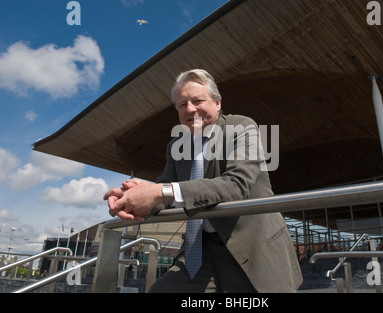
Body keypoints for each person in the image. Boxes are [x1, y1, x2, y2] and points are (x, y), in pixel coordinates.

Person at [104, 69, 302, 293]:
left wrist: (159, 192)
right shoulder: (176, 146)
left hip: (251, 248)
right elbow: (164, 192)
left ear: (217, 103)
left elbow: (235, 185)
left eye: (198, 100)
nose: (190, 109)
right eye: (182, 104)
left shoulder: (243, 127)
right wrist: (130, 198)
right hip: (201, 250)